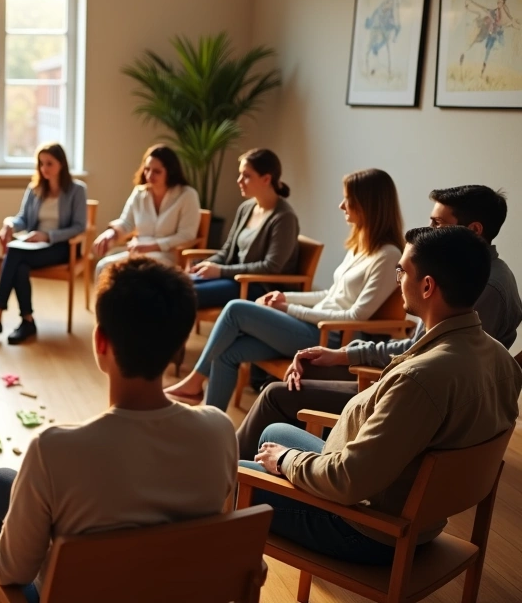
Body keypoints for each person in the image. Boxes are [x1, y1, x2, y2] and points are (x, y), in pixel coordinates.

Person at [244, 226, 522, 565]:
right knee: (273, 433)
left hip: (367, 527)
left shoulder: (420, 379)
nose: (398, 278)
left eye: (401, 270)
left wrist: (286, 461)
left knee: (228, 475)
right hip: (414, 510)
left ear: (427, 286)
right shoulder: (499, 359)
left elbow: (348, 481)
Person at [0, 258, 236, 601]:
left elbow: (12, 571)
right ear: (178, 347)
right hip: (174, 589)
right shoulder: (220, 430)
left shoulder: (54, 450)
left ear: (100, 342)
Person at [236, 185, 521, 459]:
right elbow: (419, 349)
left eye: (437, 224)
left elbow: (438, 378)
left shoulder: (483, 292)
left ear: (473, 231)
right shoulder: (464, 290)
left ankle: (225, 474)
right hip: (393, 398)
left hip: (396, 412)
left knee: (275, 400)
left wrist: (288, 460)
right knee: (286, 390)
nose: (430, 232)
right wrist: (343, 354)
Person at [164, 168, 404, 410]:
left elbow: (355, 316)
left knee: (235, 309)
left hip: (329, 337)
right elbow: (330, 295)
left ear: (369, 204)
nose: (342, 205)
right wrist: (285, 296)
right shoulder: (360, 247)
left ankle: (195, 382)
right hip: (312, 326)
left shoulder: (388, 256)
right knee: (229, 353)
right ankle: (211, 423)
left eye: (348, 199)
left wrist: (290, 309)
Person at [0, 143, 89, 345]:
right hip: (32, 247)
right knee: (19, 265)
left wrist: (47, 236)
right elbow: (22, 219)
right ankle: (26, 321)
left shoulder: (77, 190)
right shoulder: (35, 188)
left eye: (49, 163)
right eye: (41, 163)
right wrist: (9, 223)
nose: (44, 168)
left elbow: (79, 227)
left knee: (14, 254)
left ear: (61, 164)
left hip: (61, 247)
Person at [186, 149, 300, 310]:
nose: (239, 180)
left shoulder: (284, 218)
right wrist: (205, 264)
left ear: (266, 179)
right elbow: (227, 251)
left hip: (258, 287)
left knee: (185, 294)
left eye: (246, 176)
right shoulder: (246, 208)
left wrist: (220, 271)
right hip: (234, 279)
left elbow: (270, 267)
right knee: (175, 284)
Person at [92, 144, 201, 274]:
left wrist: (151, 246)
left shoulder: (187, 195)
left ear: (170, 172)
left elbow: (186, 235)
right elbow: (126, 222)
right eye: (147, 169)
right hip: (137, 252)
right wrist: (111, 233)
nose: (149, 175)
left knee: (137, 272)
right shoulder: (139, 193)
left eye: (157, 171)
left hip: (168, 255)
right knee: (102, 267)